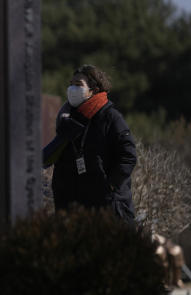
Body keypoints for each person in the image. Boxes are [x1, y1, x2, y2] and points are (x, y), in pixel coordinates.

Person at [41, 65, 138, 222]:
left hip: (107, 209)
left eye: (78, 84)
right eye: (71, 83)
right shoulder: (67, 120)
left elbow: (128, 156)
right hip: (73, 211)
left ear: (93, 89)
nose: (72, 88)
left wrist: (110, 187)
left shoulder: (110, 117)